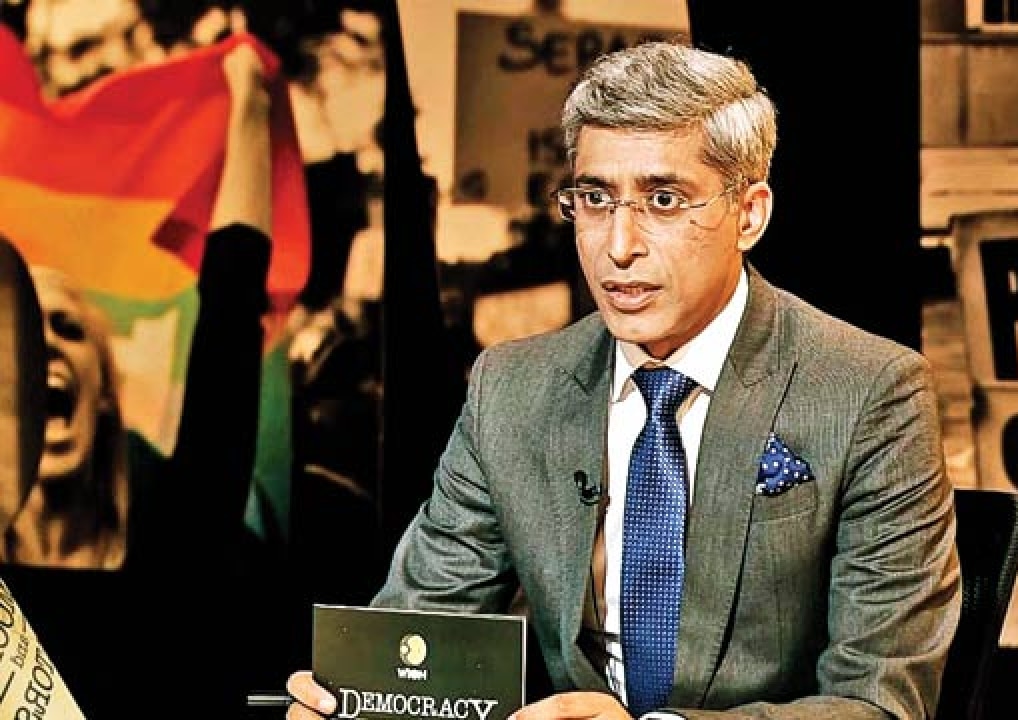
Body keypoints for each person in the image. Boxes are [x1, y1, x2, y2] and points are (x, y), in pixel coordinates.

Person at [286, 39, 961, 720]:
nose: (618, 246)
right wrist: (349, 700)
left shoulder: (870, 392)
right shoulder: (512, 389)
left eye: (664, 200)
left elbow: (879, 704)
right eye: (594, 198)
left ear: (749, 214)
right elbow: (414, 638)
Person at [0, 40, 285, 719]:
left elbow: (231, 313)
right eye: (23, 337)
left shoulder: (174, 548)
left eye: (67, 329)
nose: (45, 349)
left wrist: (247, 109)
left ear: (103, 389)